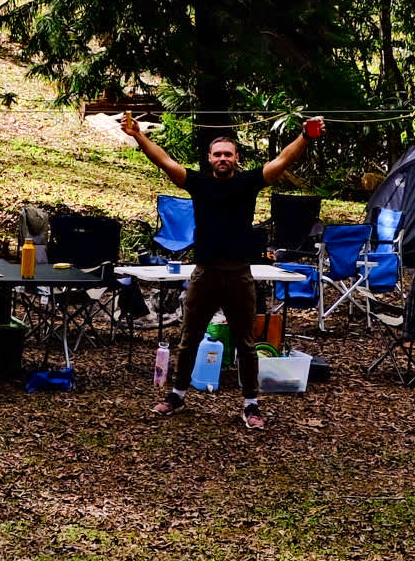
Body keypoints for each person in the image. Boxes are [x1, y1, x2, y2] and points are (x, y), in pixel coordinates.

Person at [120, 113, 321, 430]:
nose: (223, 158)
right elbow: (166, 162)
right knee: (189, 339)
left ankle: (251, 405)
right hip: (205, 273)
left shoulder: (248, 183)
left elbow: (282, 160)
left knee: (246, 343)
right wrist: (138, 136)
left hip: (240, 274)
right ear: (210, 159)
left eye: (228, 154)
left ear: (236, 158)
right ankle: (177, 395)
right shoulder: (198, 183)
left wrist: (306, 138)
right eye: (218, 154)